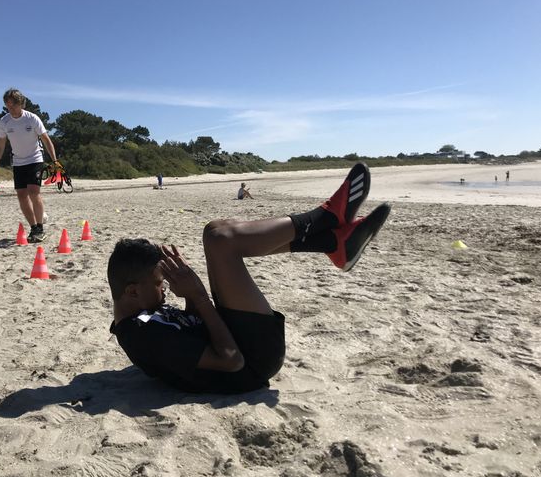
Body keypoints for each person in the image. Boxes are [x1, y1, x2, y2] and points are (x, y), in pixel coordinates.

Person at [108, 163, 390, 393]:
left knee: (214, 230)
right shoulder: (144, 335)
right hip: (252, 362)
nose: (164, 290)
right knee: (222, 242)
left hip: (232, 335)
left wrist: (191, 295)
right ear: (133, 291)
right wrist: (198, 296)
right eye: (160, 284)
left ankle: (332, 242)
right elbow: (231, 360)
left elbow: (192, 328)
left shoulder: (143, 313)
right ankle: (325, 218)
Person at [0, 88, 58, 243]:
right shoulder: (4, 122)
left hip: (35, 159)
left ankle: (40, 228)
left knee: (33, 192)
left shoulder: (32, 119)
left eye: (13, 105)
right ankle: (34, 228)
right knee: (21, 195)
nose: (10, 109)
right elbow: (0, 146)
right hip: (18, 162)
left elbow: (46, 140)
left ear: (21, 104)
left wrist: (55, 160)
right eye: (7, 105)